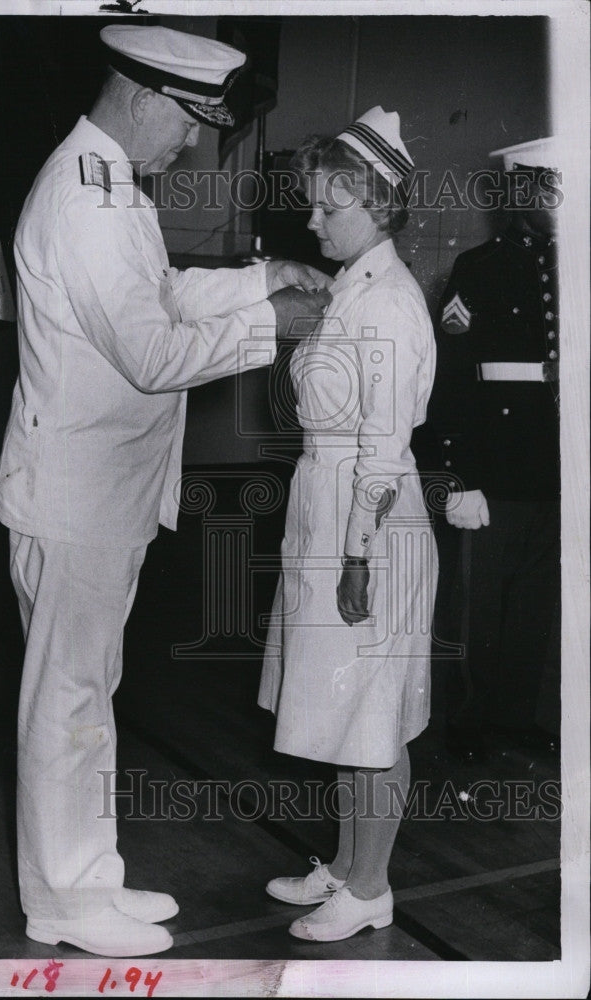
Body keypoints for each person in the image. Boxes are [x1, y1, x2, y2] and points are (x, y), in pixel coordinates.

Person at [0, 24, 331, 958]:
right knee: (64, 703)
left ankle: (88, 877)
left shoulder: (108, 184)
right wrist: (273, 323)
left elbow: (159, 295)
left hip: (101, 490)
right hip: (77, 495)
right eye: (190, 121)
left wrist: (260, 276)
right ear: (145, 99)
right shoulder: (87, 199)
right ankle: (61, 900)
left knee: (86, 695)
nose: (192, 143)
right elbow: (152, 355)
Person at [258, 107, 438, 942]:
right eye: (313, 203)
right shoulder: (349, 290)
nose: (312, 217)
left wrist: (357, 557)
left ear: (377, 205)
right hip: (324, 504)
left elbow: (381, 449)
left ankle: (371, 888)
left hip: (368, 524)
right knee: (342, 706)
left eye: (329, 206)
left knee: (372, 715)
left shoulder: (391, 303)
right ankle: (341, 864)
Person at [428, 138, 560, 761]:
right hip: (496, 460)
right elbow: (452, 378)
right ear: (521, 195)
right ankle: (471, 718)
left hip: (554, 461)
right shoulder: (477, 270)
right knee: (479, 601)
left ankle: (517, 714)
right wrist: (460, 475)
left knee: (536, 599)